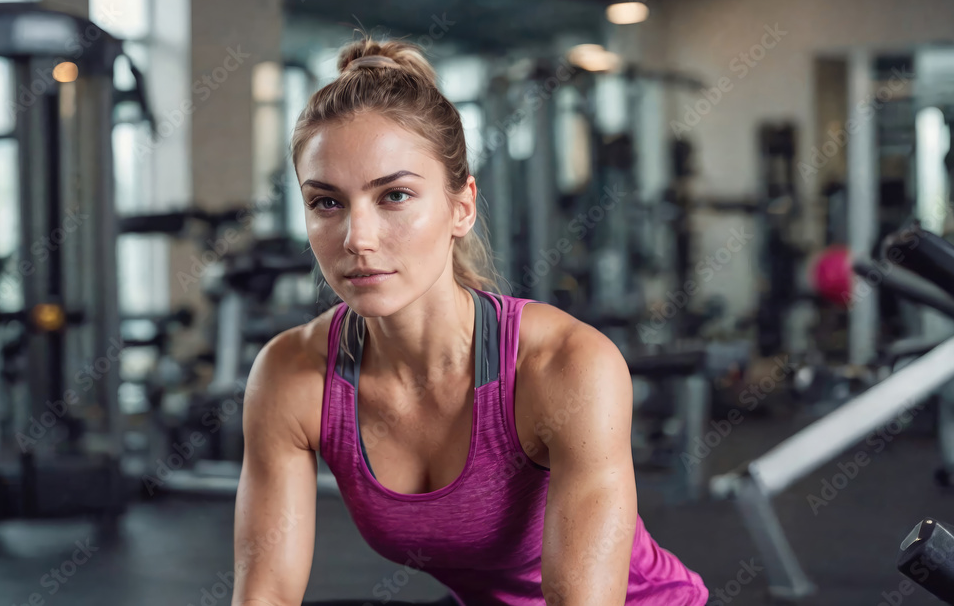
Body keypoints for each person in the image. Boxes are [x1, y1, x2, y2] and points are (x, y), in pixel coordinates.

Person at [231, 37, 709, 606]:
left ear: (462, 207)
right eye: (326, 203)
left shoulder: (566, 367)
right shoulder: (292, 374)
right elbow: (265, 596)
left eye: (395, 195)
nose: (357, 239)